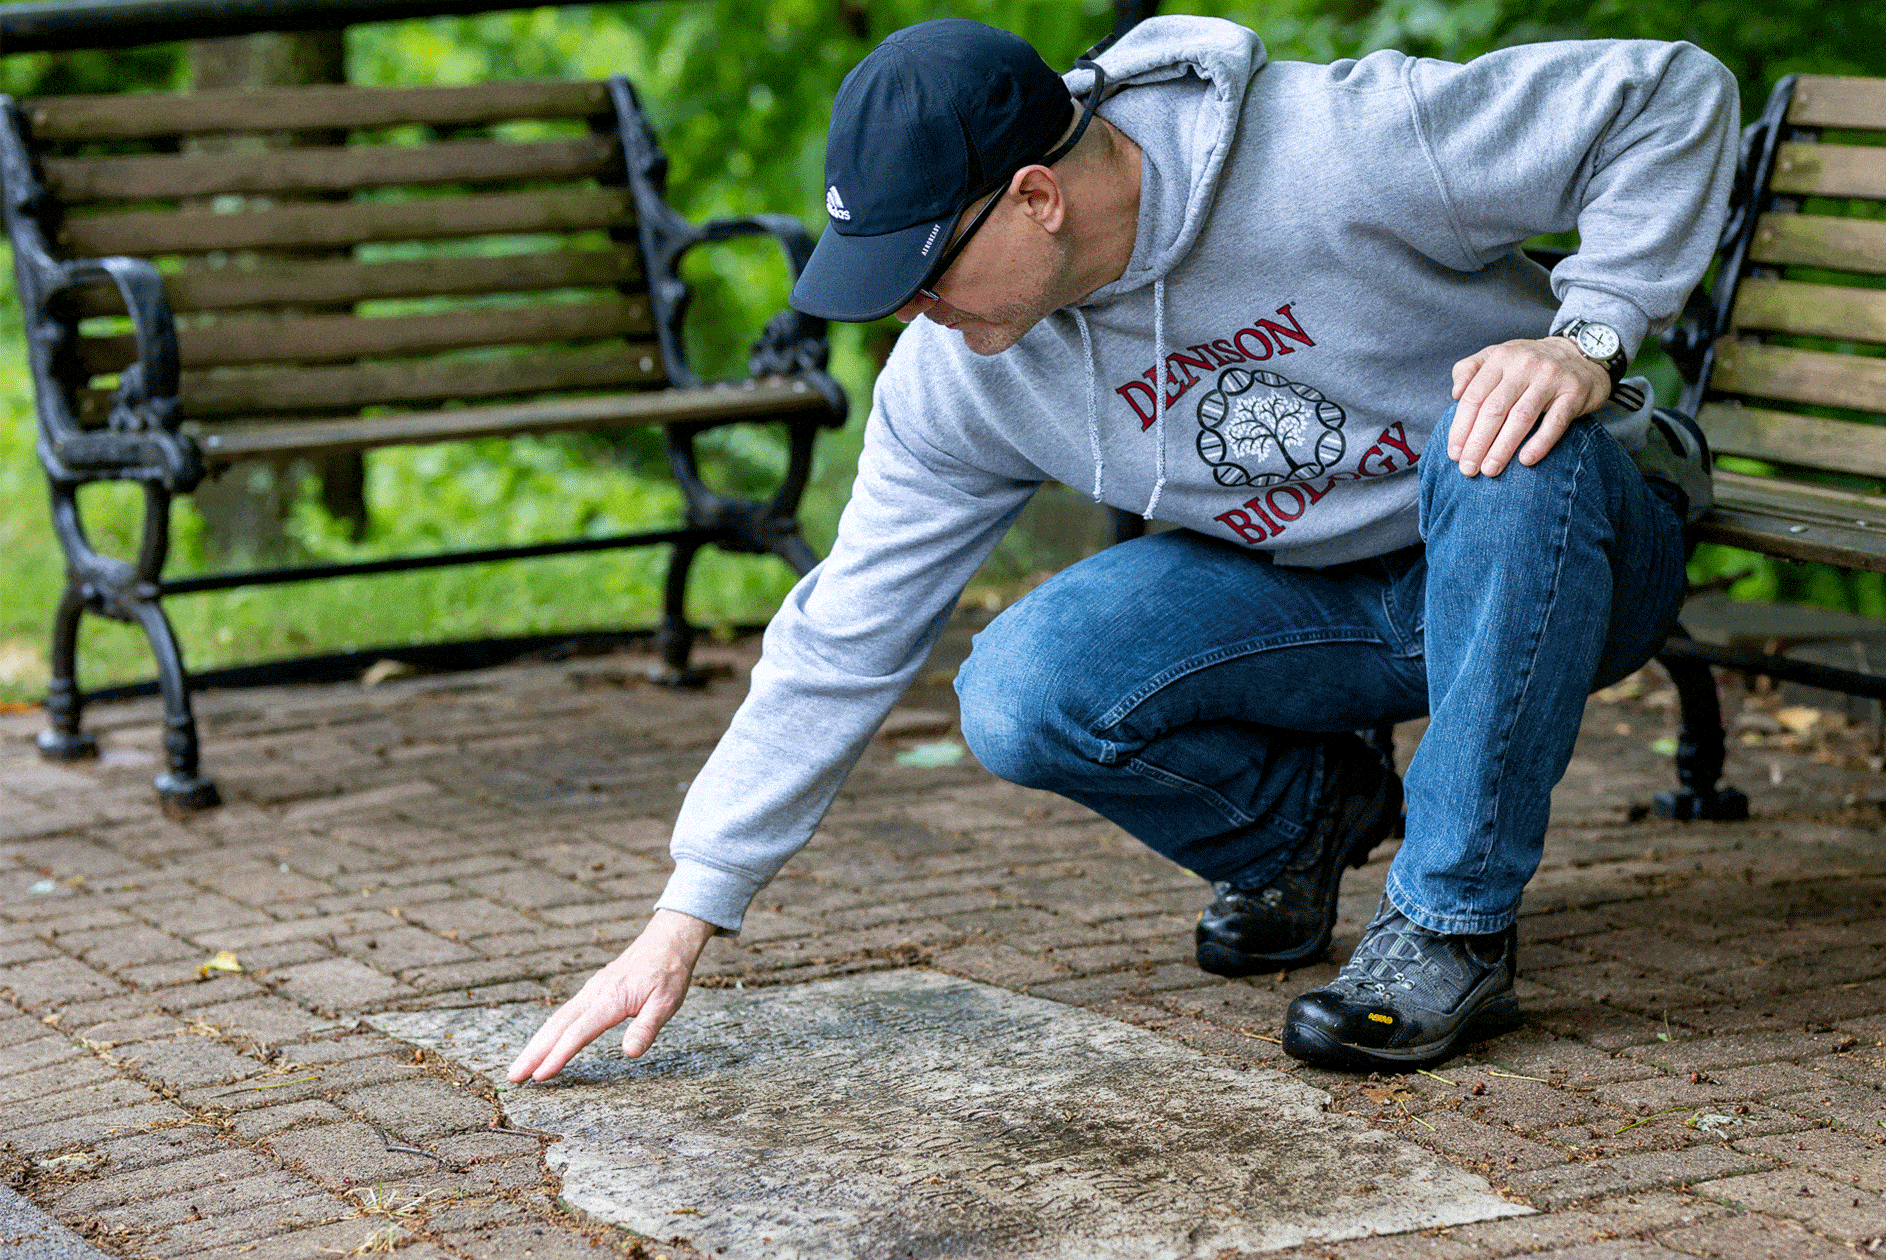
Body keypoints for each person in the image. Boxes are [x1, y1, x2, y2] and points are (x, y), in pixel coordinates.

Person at [510, 15, 1737, 1082]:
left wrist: (1589, 337)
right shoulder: (966, 374)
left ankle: (1451, 927)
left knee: (1510, 450)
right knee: (1022, 689)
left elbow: (1673, 91)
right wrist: (686, 911)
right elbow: (847, 626)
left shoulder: (1338, 147)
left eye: (926, 272)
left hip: (1565, 553)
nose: (910, 314)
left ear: (1038, 199)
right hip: (1329, 601)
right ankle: (1305, 826)